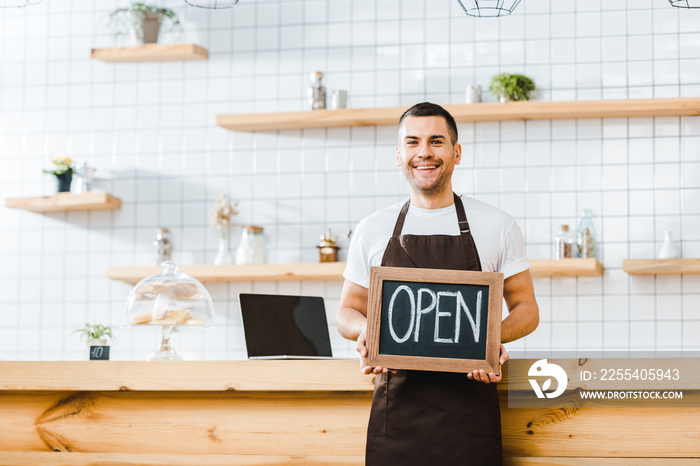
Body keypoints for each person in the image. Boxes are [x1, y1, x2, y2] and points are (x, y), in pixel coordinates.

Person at [336, 102, 539, 465]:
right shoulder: (372, 229)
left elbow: (527, 310)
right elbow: (347, 311)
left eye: (436, 141)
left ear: (456, 152)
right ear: (399, 155)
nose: (424, 153)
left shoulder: (497, 225)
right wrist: (368, 330)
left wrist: (489, 339)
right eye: (412, 142)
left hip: (469, 421)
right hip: (395, 422)